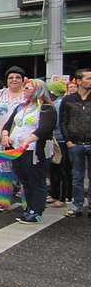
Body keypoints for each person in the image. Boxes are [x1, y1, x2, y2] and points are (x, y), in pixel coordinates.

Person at [0, 79, 57, 223]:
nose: (25, 90)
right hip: (17, 149)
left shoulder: (46, 108)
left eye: (28, 88)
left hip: (35, 150)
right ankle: (29, 207)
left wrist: (29, 139)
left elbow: (45, 128)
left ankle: (36, 211)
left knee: (36, 180)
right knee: (24, 180)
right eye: (25, 88)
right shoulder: (21, 107)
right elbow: (8, 124)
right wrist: (6, 135)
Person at [0, 66, 27, 212]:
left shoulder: (28, 95)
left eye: (17, 77)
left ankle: (28, 202)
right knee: (2, 171)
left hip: (23, 143)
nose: (14, 80)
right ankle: (1, 201)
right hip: (1, 142)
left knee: (25, 173)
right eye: (11, 77)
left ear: (23, 80)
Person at [59, 67, 91, 217]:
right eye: (88, 78)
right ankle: (77, 205)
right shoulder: (68, 100)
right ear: (78, 81)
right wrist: (68, 141)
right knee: (77, 176)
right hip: (75, 143)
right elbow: (63, 122)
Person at [47, 80, 70, 208]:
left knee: (60, 169)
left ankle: (61, 197)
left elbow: (55, 123)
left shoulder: (57, 104)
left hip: (59, 139)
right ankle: (55, 195)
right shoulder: (59, 102)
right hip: (58, 139)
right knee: (56, 168)